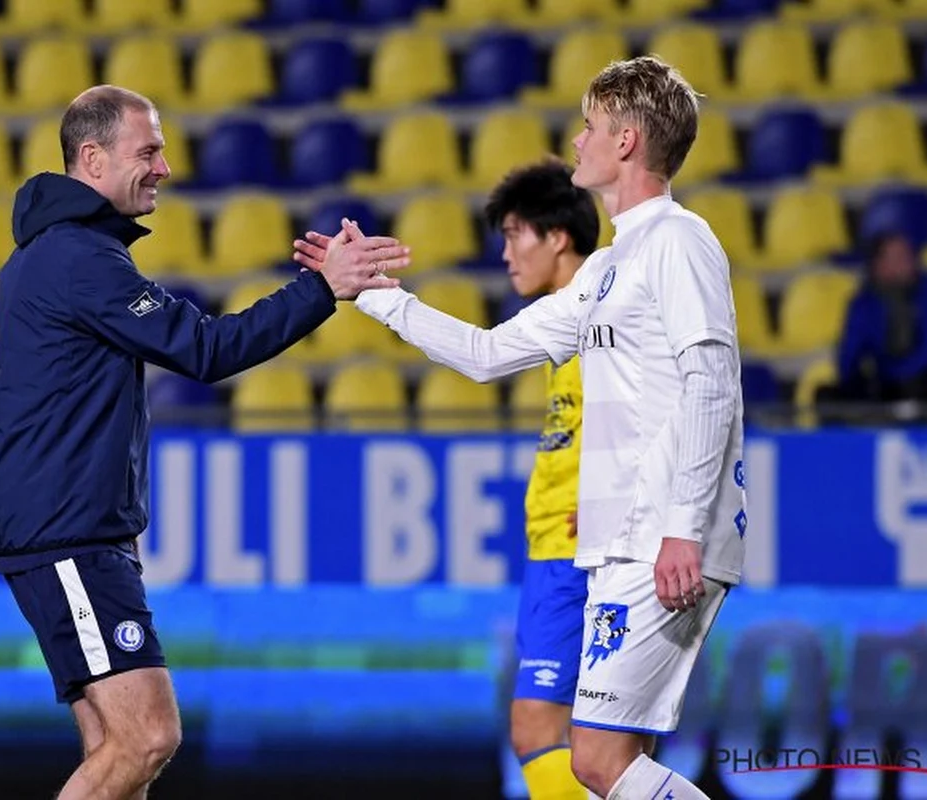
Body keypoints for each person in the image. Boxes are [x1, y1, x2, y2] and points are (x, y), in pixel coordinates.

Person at [296, 57, 744, 800]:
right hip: (613, 545)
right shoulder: (607, 266)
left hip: (657, 535)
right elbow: (486, 354)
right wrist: (373, 296)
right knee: (601, 763)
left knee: (595, 761)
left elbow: (712, 384)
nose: (577, 140)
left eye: (592, 127)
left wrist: (684, 530)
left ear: (627, 141)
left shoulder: (678, 240)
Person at [0, 84, 410, 800]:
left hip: (70, 533)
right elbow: (207, 350)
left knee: (117, 752)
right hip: (68, 537)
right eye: (147, 151)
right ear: (92, 158)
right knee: (150, 735)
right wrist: (321, 289)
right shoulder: (77, 260)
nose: (165, 167)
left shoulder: (58, 254)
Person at [483, 159, 598, 800]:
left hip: (575, 553)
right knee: (604, 747)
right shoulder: (565, 326)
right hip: (558, 550)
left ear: (557, 236)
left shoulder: (596, 321)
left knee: (536, 731)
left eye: (514, 234)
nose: (506, 254)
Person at [825, 232, 927, 412]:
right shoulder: (865, 301)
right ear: (877, 264)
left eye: (907, 255)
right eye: (894, 257)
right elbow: (848, 360)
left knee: (917, 386)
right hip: (886, 386)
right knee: (828, 397)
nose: (905, 263)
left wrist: (894, 375)